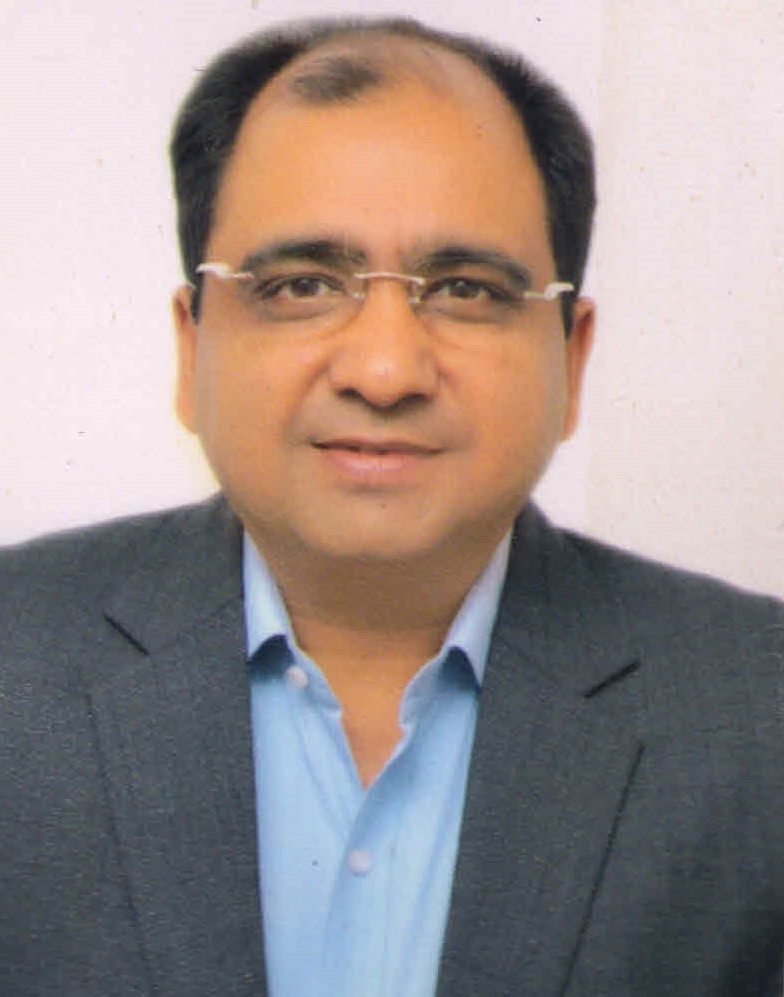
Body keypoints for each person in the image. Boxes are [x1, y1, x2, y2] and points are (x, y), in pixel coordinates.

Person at [1, 15, 781, 997]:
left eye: (464, 289)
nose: (383, 370)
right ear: (192, 346)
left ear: (571, 358)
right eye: (301, 284)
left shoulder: (758, 711)